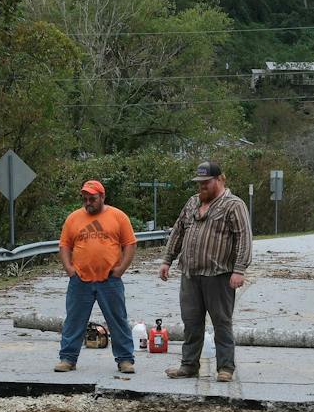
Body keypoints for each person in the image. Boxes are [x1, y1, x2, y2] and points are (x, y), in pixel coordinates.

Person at [158, 159, 253, 382]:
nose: (201, 186)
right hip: (190, 274)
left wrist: (239, 270)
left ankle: (225, 368)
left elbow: (244, 238)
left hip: (219, 275)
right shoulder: (192, 203)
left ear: (220, 179)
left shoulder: (234, 205)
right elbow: (178, 232)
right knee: (191, 323)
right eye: (199, 182)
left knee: (222, 323)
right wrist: (167, 260)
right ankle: (189, 366)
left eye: (206, 182)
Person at [55, 179, 137, 374]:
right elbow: (65, 245)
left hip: (109, 280)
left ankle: (125, 360)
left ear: (102, 197)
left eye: (92, 198)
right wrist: (69, 268)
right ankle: (67, 358)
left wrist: (120, 269)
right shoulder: (73, 218)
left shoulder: (118, 216)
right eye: (85, 199)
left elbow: (130, 244)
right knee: (74, 320)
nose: (88, 202)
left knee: (118, 320)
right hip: (80, 281)